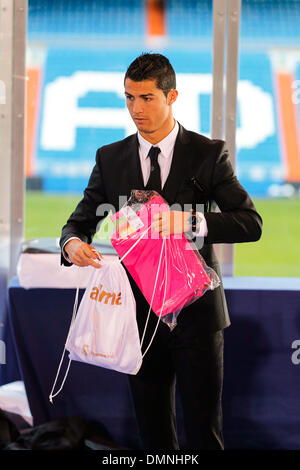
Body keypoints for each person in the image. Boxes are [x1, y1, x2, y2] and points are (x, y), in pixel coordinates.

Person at [60, 53, 262, 450]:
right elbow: (79, 222)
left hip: (198, 315)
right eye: (129, 98)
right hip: (137, 317)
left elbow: (250, 223)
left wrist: (188, 222)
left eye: (147, 98)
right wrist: (72, 244)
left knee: (205, 434)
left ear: (172, 96)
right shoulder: (110, 157)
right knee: (153, 436)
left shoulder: (208, 154)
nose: (136, 109)